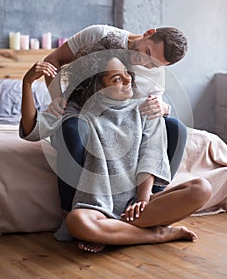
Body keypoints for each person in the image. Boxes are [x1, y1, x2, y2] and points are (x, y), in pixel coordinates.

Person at [20, 53, 212, 253]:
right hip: (97, 208)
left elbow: (152, 154)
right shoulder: (77, 112)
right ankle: (158, 234)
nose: (128, 79)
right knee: (77, 221)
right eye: (117, 78)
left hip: (137, 205)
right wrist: (27, 84)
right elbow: (32, 130)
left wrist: (142, 200)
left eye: (127, 73)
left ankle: (113, 233)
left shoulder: (146, 107)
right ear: (98, 87)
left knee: (201, 188)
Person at [40, 24, 188, 214]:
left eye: (153, 64)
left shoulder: (156, 71)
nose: (144, 63)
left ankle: (145, 203)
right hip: (87, 115)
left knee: (176, 128)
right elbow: (53, 59)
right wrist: (58, 98)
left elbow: (155, 105)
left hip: (128, 123)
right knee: (73, 127)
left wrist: (164, 107)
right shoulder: (99, 35)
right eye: (147, 52)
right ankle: (74, 211)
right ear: (148, 33)